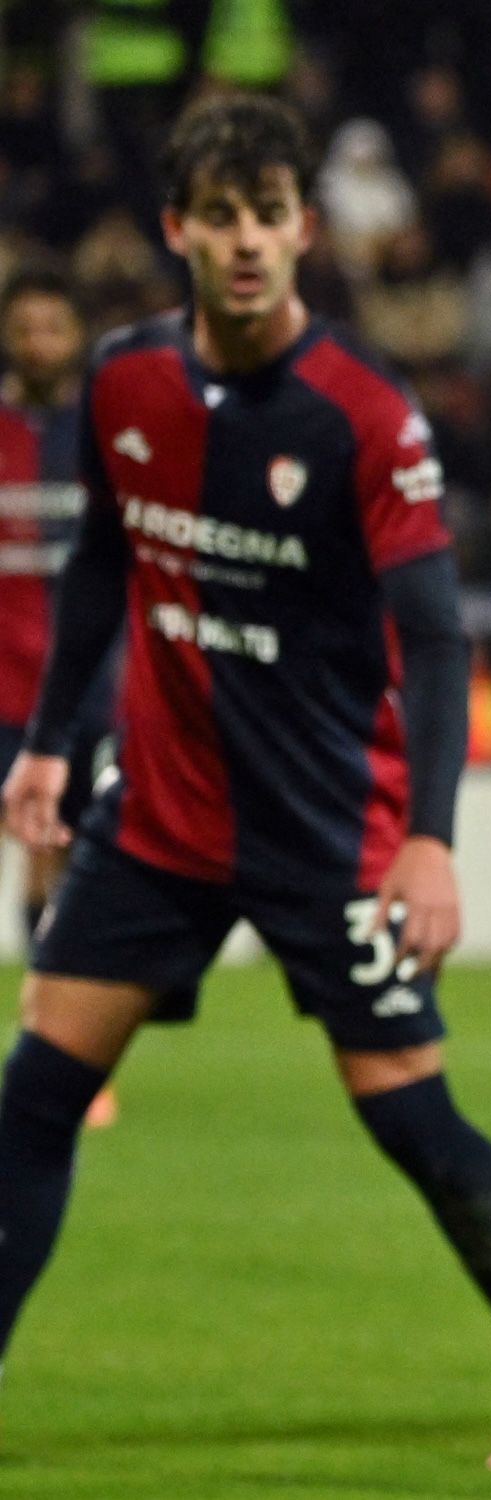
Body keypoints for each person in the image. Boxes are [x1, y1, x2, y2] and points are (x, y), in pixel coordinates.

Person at [0, 96, 491, 1470]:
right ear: (179, 231)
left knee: (409, 1114)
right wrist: (46, 739)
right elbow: (102, 560)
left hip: (329, 834)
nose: (249, 241)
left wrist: (431, 842)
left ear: (305, 231)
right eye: (222, 217)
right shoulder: (123, 381)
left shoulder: (365, 417)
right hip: (154, 817)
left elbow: (440, 637)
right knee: (35, 1095)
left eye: (271, 214)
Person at [0, 269, 118, 1132]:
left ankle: (57, 1049)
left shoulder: (105, 435)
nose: (39, 342)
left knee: (57, 861)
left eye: (53, 327)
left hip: (74, 698)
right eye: (26, 328)